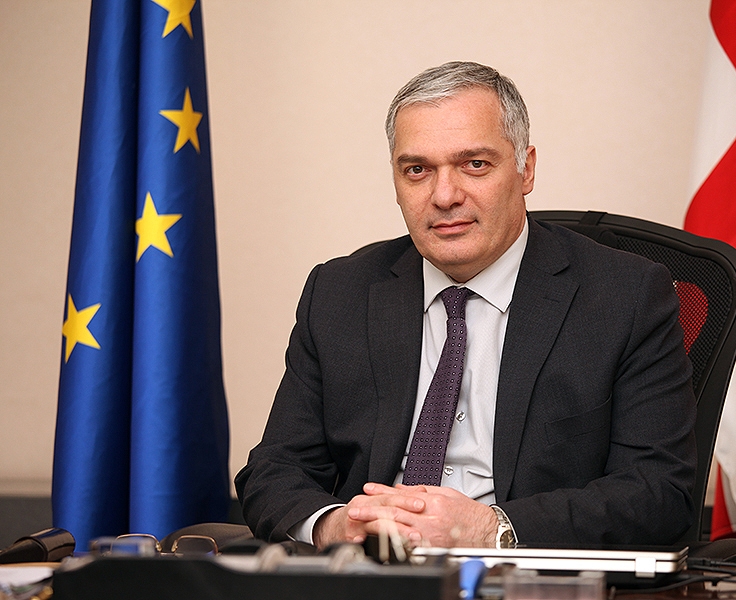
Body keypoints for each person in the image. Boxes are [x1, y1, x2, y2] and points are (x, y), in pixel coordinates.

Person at [235, 61, 696, 550]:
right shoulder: (339, 292)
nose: (444, 196)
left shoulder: (624, 296)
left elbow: (659, 491)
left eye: (474, 164)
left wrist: (490, 530)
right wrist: (337, 526)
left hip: (526, 573)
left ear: (525, 169)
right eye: (417, 170)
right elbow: (274, 469)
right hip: (372, 571)